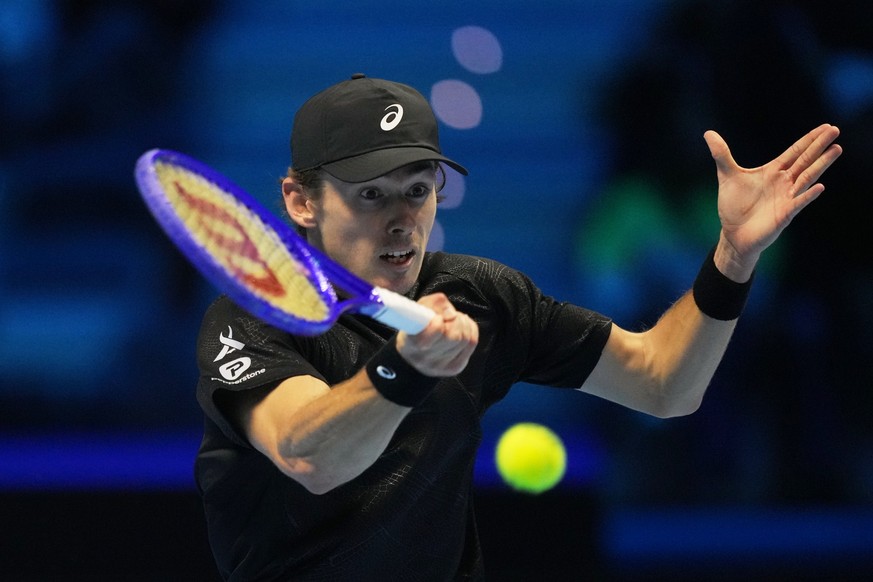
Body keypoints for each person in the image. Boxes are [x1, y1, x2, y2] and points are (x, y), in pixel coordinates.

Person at [194, 73, 842, 580]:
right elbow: (308, 453)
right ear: (299, 200)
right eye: (370, 193)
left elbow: (663, 384)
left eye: (417, 189)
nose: (400, 218)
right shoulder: (251, 319)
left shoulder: (483, 296)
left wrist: (731, 258)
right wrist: (406, 370)